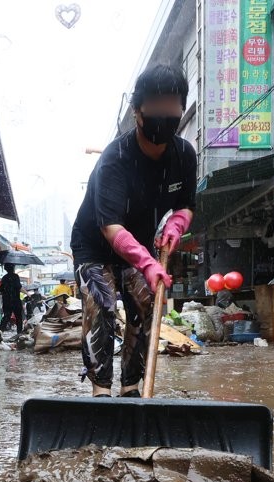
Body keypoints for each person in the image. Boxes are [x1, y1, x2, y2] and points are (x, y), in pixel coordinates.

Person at [70, 64, 197, 398]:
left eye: (172, 107)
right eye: (156, 107)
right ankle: (100, 392)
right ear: (138, 112)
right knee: (102, 305)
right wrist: (148, 262)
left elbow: (186, 204)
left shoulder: (184, 155)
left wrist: (177, 222)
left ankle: (131, 389)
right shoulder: (116, 158)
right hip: (95, 245)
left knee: (144, 303)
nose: (164, 115)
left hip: (138, 247)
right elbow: (110, 227)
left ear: (182, 109)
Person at [0, 263, 24, 332]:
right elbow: (19, 287)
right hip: (15, 300)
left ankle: (1, 331)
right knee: (18, 317)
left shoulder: (4, 278)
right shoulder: (16, 276)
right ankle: (19, 333)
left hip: (6, 301)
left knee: (6, 316)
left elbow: (1, 290)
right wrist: (27, 293)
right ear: (13, 268)